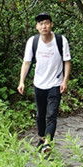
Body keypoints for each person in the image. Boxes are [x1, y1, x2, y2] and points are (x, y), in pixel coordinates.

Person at [18, 12, 70, 155]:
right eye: (41, 24)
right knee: (40, 114)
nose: (44, 26)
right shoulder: (33, 41)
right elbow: (26, 62)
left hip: (55, 83)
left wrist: (65, 80)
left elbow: (67, 61)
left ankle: (47, 143)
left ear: (51, 24)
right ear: (37, 27)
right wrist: (21, 81)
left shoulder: (60, 40)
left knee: (51, 114)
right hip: (39, 83)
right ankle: (41, 138)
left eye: (46, 23)